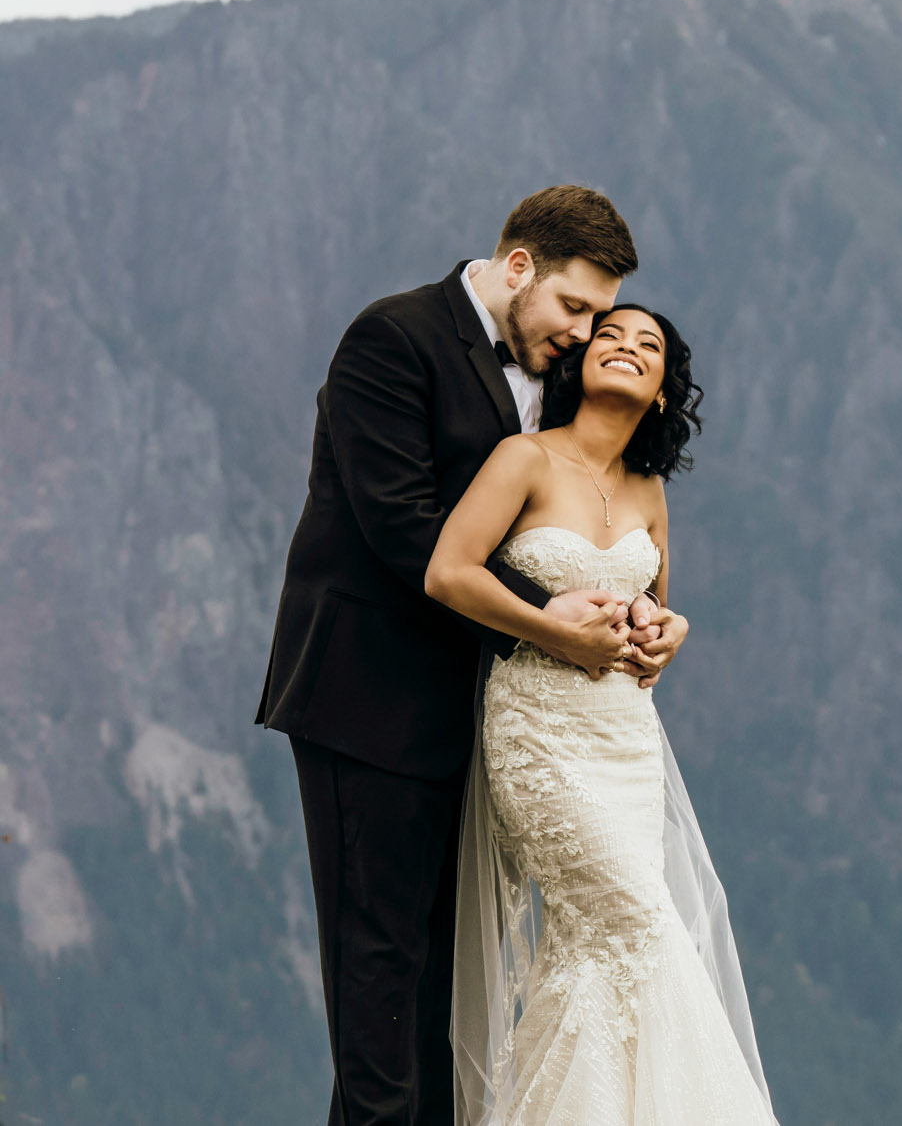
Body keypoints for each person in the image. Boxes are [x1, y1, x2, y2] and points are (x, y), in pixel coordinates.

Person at [258, 185, 678, 1125]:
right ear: (518, 266)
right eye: (575, 307)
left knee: (439, 992)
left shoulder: (555, 373)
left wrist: (648, 613)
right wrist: (556, 620)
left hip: (492, 722)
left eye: (602, 317)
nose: (584, 332)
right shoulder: (392, 339)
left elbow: (577, 514)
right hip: (366, 698)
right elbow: (404, 528)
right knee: (378, 972)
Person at [426, 304, 777, 1125]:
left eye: (647, 346)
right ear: (578, 363)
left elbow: (651, 615)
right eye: (610, 334)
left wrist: (670, 631)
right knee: (644, 924)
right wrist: (553, 627)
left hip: (625, 742)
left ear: (660, 393)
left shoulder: (650, 492)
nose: (623, 346)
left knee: (594, 952)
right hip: (540, 732)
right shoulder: (524, 459)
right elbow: (449, 571)